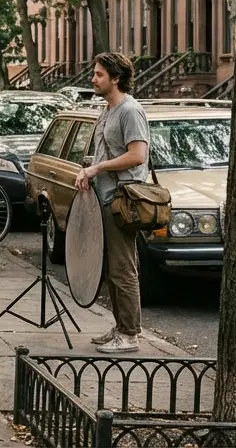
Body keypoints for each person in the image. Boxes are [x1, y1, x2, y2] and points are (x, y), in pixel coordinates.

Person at [75, 52, 150, 354]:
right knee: (112, 267)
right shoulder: (108, 110)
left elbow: (137, 155)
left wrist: (98, 168)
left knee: (123, 267)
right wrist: (89, 168)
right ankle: (120, 326)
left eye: (99, 74)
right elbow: (108, 153)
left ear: (116, 78)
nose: (93, 79)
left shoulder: (130, 111)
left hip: (123, 199)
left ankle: (130, 334)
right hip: (105, 197)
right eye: (94, 73)